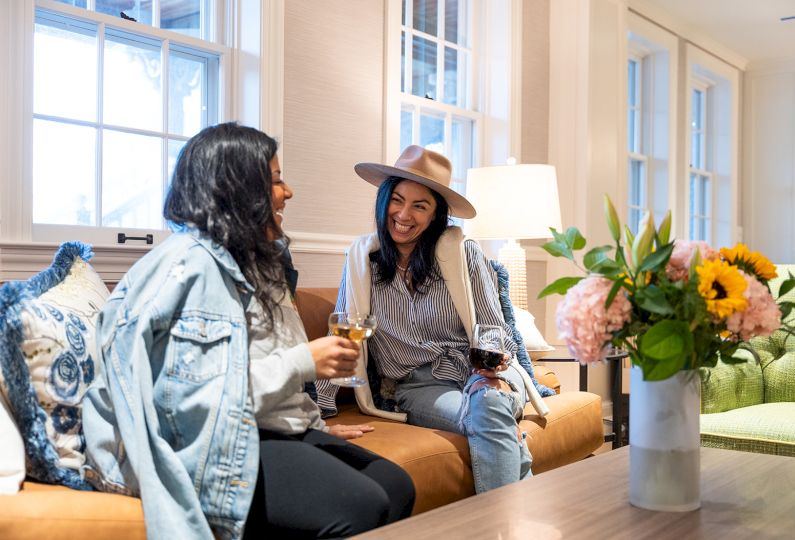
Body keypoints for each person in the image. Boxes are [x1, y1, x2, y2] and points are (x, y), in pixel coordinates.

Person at [82, 123, 415, 540]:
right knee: (360, 503)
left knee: (396, 484)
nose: (288, 192)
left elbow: (262, 364)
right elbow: (190, 401)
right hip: (208, 439)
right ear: (239, 191)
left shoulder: (259, 262)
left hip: (260, 425)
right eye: (276, 181)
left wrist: (314, 422)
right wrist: (303, 363)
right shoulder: (191, 267)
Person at [316, 145, 545, 494]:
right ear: (383, 201)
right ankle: (516, 521)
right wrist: (320, 408)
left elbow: (494, 330)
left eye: (419, 205)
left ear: (436, 214)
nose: (404, 214)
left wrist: (492, 374)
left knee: (489, 399)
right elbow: (346, 335)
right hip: (419, 386)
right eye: (397, 199)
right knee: (490, 410)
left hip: (481, 371)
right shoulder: (361, 260)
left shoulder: (463, 254)